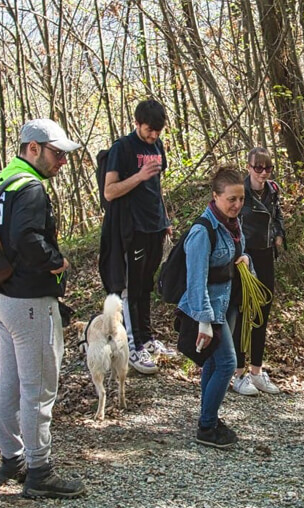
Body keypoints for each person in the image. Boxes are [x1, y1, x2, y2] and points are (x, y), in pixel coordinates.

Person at [0, 118, 85, 498]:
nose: (62, 161)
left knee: (10, 381)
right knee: (39, 388)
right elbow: (27, 238)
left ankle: (12, 458)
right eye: (57, 153)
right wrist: (55, 261)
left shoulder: (2, 180)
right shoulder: (29, 188)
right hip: (29, 302)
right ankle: (39, 471)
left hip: (2, 297)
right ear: (33, 149)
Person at [99, 99, 176, 375]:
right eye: (148, 130)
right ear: (137, 123)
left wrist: (164, 219)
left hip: (154, 226)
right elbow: (110, 191)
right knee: (131, 286)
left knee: (146, 285)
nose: (153, 135)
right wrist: (139, 175)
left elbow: (157, 187)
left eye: (158, 131)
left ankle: (146, 338)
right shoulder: (123, 148)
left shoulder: (157, 146)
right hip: (132, 228)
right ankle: (131, 346)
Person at [179, 166, 250, 448]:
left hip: (228, 303)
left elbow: (237, 255)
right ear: (215, 196)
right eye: (231, 199)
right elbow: (196, 281)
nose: (237, 205)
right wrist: (205, 322)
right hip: (209, 309)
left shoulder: (233, 226)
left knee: (212, 362)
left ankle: (208, 418)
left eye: (241, 198)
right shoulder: (202, 231)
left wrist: (245, 260)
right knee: (228, 363)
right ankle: (206, 427)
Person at [230, 148, 286, 396]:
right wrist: (236, 253)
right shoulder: (240, 193)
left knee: (263, 312)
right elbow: (231, 221)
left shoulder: (273, 190)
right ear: (249, 167)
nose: (262, 173)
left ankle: (256, 370)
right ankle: (239, 374)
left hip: (265, 255)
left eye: (267, 168)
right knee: (243, 315)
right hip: (246, 255)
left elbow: (277, 217)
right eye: (258, 168)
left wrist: (280, 236)